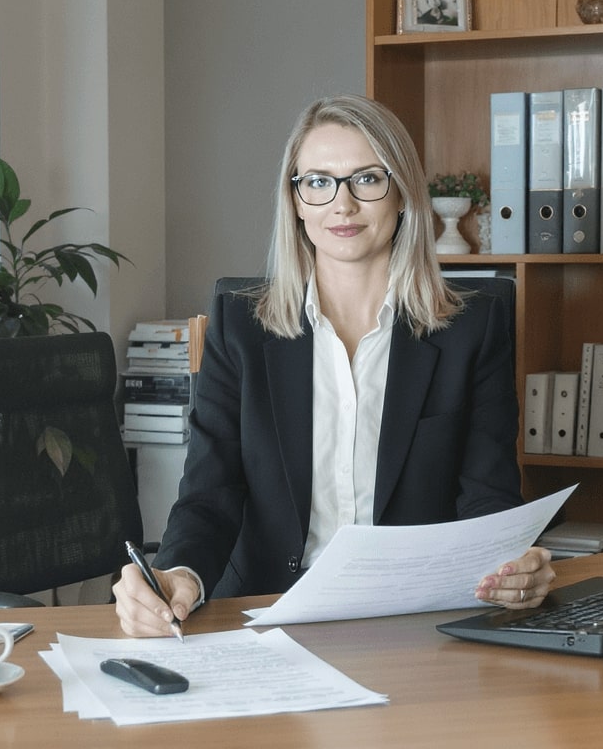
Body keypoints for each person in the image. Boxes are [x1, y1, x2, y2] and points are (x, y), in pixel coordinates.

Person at [114, 94, 555, 638]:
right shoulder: (241, 327)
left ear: (402, 195)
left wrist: (511, 569)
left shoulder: (472, 329)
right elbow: (210, 494)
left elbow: (487, 497)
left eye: (367, 179)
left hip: (412, 623)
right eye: (318, 182)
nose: (341, 205)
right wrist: (178, 574)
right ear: (296, 201)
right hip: (266, 617)